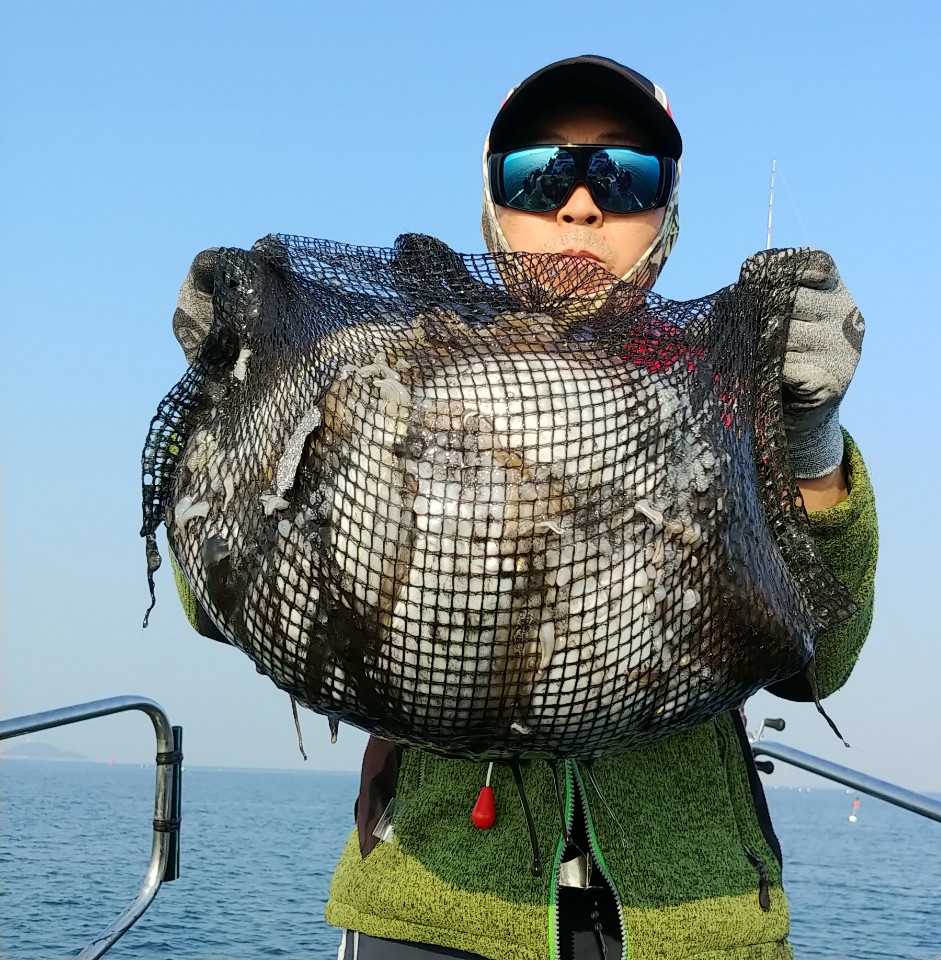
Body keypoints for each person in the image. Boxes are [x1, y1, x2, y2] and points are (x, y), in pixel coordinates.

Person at [171, 55, 878, 960]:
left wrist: (810, 443)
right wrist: (233, 408)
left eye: (624, 175)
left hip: (698, 918)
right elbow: (214, 605)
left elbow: (823, 663)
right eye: (538, 173)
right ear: (492, 205)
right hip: (433, 907)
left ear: (667, 210)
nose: (580, 206)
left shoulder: (729, 394)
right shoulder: (388, 378)